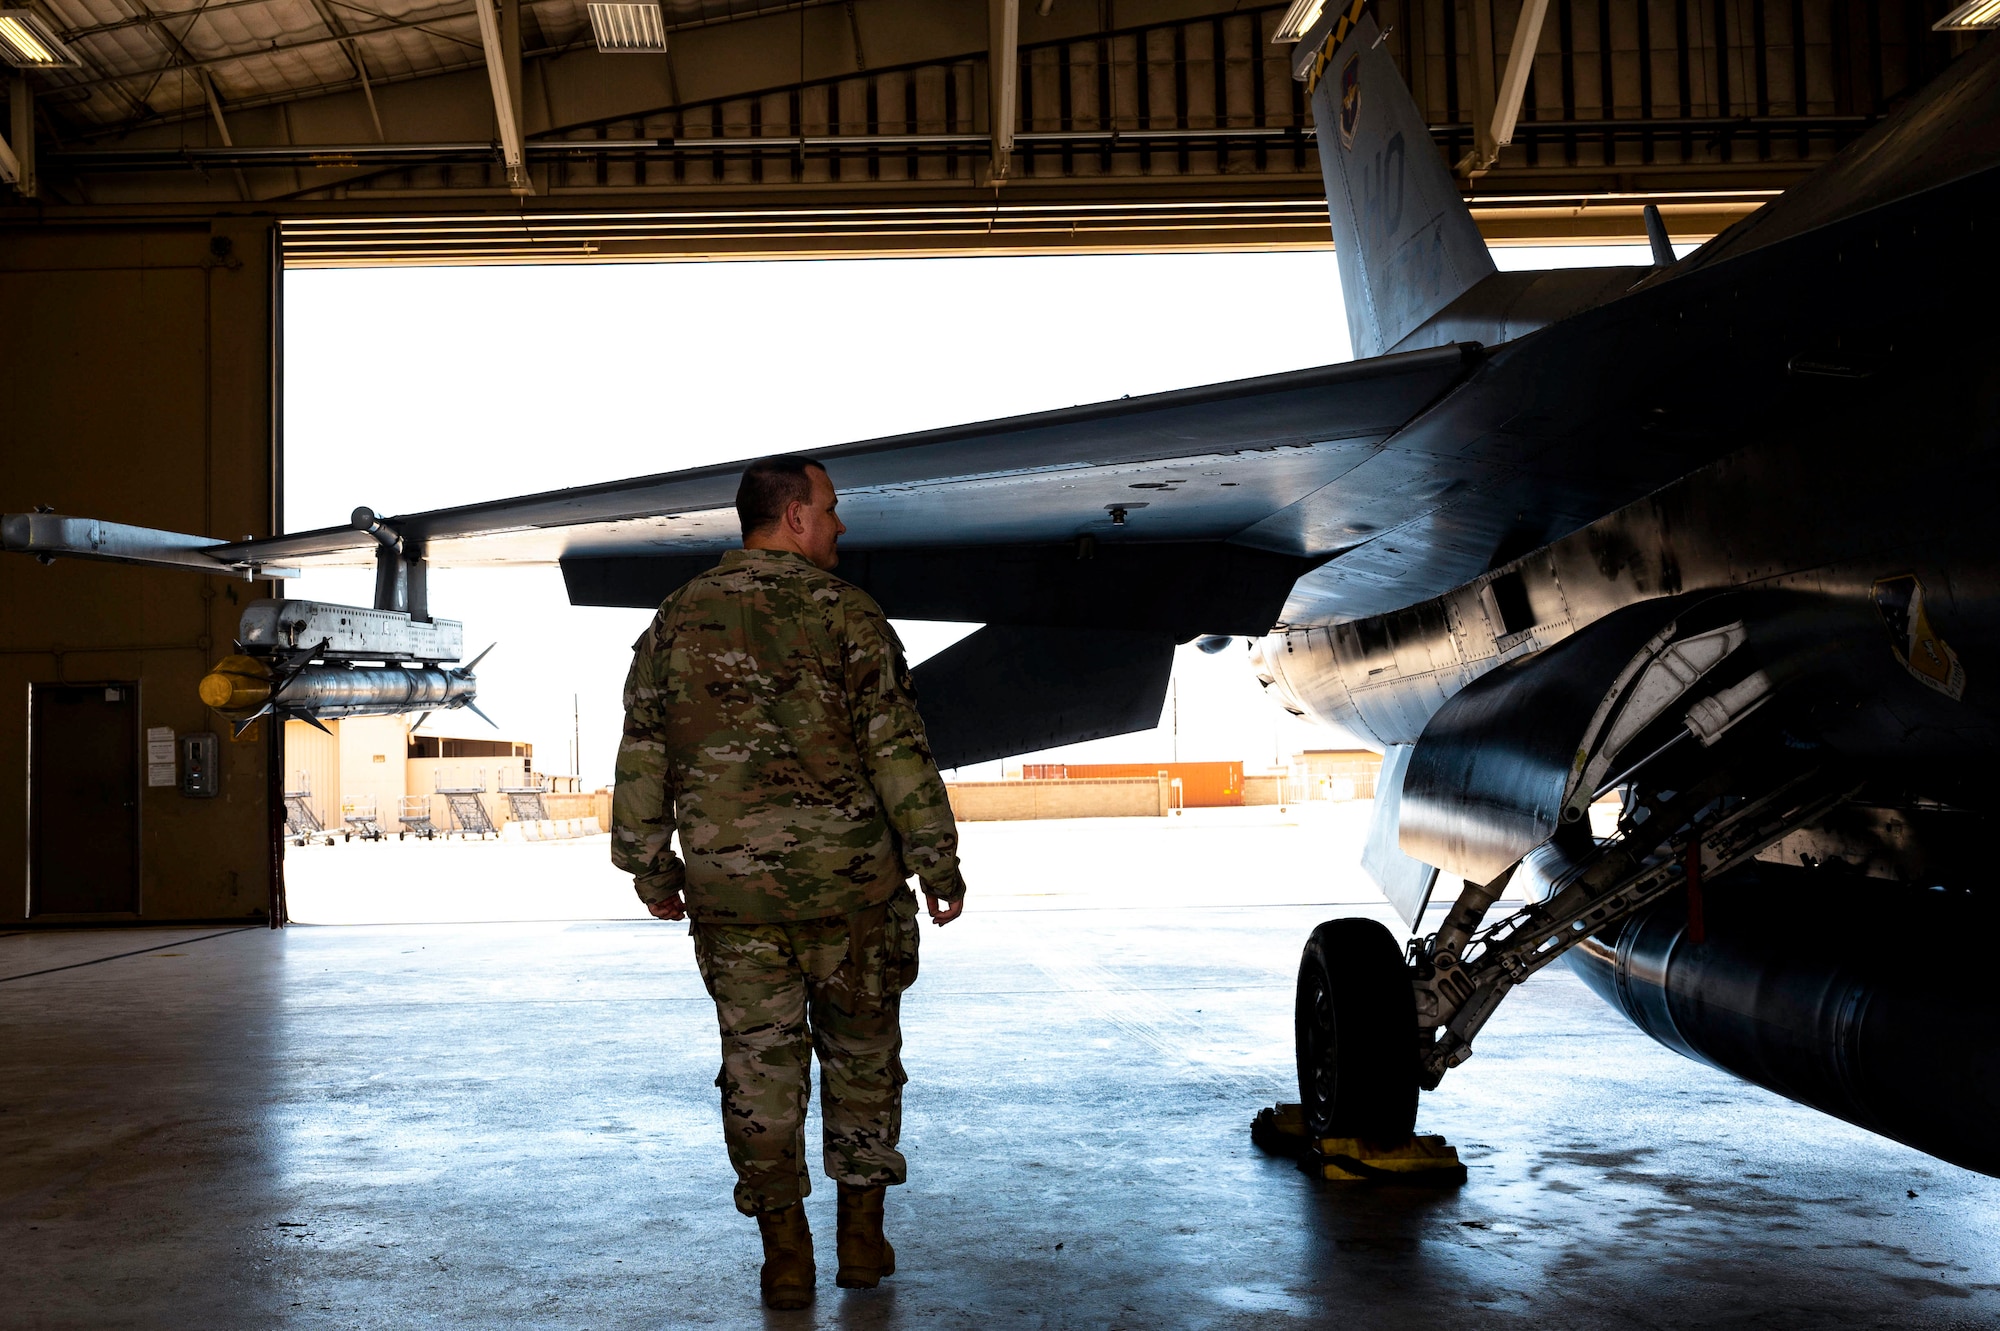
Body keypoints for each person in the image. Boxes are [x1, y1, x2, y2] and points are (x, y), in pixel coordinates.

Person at [611, 453, 967, 1310]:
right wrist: (937, 863)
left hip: (736, 909)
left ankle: (784, 1256)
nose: (841, 525)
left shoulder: (675, 622)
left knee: (758, 1076)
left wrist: (651, 870)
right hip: (855, 899)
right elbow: (897, 751)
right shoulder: (849, 616)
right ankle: (861, 1237)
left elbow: (642, 763)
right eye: (832, 509)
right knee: (864, 1063)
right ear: (796, 517)